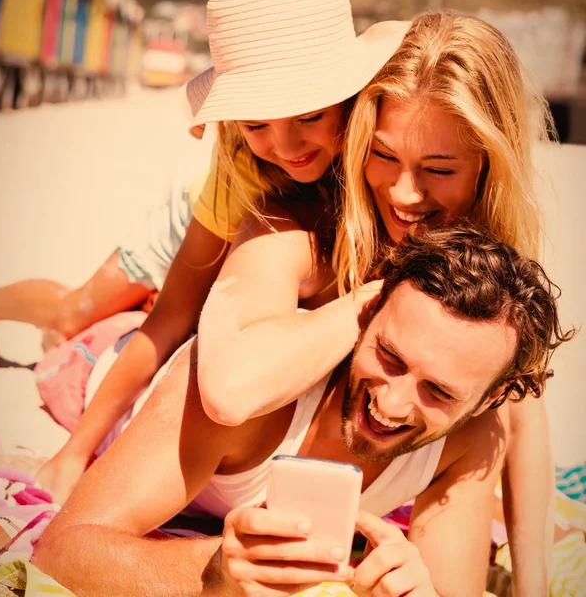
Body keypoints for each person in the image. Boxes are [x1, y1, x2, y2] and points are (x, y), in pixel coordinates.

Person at [192, 11, 557, 595]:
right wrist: (385, 290)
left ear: (487, 165)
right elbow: (229, 387)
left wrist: (533, 582)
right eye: (382, 155)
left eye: (439, 169)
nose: (404, 194)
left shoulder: (485, 265)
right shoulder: (307, 217)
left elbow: (522, 401)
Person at [32, 225, 574, 597]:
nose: (389, 402)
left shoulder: (472, 438)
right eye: (388, 355)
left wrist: (420, 589)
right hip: (111, 364)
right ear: (366, 314)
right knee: (65, 324)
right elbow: (60, 551)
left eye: (439, 391)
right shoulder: (252, 400)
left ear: (490, 400)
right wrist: (216, 572)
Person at [33, 0, 409, 503]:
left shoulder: (383, 154)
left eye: (310, 115)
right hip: (199, 220)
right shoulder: (239, 163)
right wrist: (74, 453)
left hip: (260, 248)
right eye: (257, 124)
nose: (286, 143)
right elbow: (170, 318)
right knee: (78, 311)